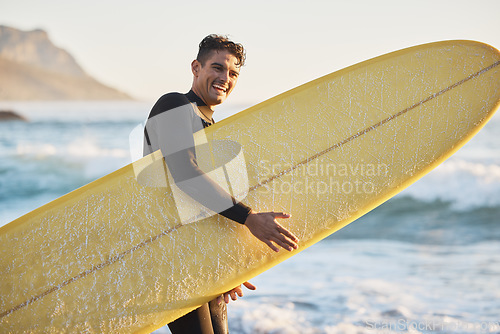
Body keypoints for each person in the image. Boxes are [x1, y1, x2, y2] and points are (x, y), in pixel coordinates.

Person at [143, 34, 299, 334]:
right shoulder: (175, 104)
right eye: (217, 67)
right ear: (196, 68)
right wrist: (249, 218)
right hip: (170, 259)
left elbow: (201, 207)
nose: (225, 78)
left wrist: (224, 261)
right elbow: (184, 174)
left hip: (197, 258)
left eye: (233, 73)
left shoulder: (213, 129)